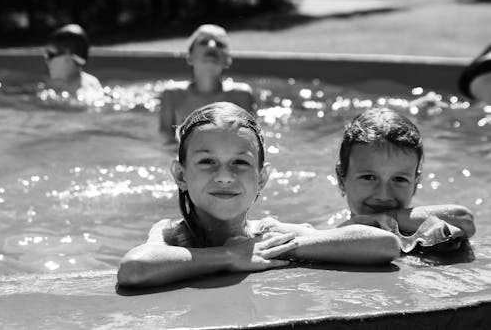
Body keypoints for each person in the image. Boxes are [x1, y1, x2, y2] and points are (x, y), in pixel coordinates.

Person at [118, 102, 400, 287]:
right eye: (207, 162)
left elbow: (384, 245)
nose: (225, 176)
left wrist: (281, 248)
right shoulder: (170, 235)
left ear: (262, 178)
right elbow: (134, 268)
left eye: (240, 163)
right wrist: (230, 256)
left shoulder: (268, 234)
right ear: (181, 175)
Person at [335, 107, 475, 252]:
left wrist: (383, 219)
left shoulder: (426, 232)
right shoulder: (331, 235)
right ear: (341, 179)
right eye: (369, 177)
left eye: (399, 179)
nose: (384, 195)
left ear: (415, 183)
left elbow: (464, 219)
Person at [159, 24, 255, 143]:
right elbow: (166, 140)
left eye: (220, 44)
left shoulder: (241, 96)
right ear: (189, 57)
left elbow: (250, 141)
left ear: (227, 60)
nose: (212, 45)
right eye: (204, 42)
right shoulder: (172, 95)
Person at [43, 24, 102, 97]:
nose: (47, 61)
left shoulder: (84, 91)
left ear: (67, 57)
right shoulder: (54, 84)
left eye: (50, 55)